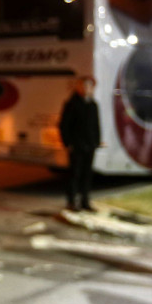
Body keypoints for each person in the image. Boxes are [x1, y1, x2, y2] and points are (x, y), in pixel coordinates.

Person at [58, 76, 101, 211]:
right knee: (74, 174)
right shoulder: (72, 104)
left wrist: (97, 141)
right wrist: (68, 143)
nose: (87, 89)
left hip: (90, 145)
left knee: (87, 175)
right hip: (76, 145)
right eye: (84, 86)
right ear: (78, 87)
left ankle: (85, 201)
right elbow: (63, 125)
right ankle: (71, 202)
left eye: (89, 86)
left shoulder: (93, 104)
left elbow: (96, 125)